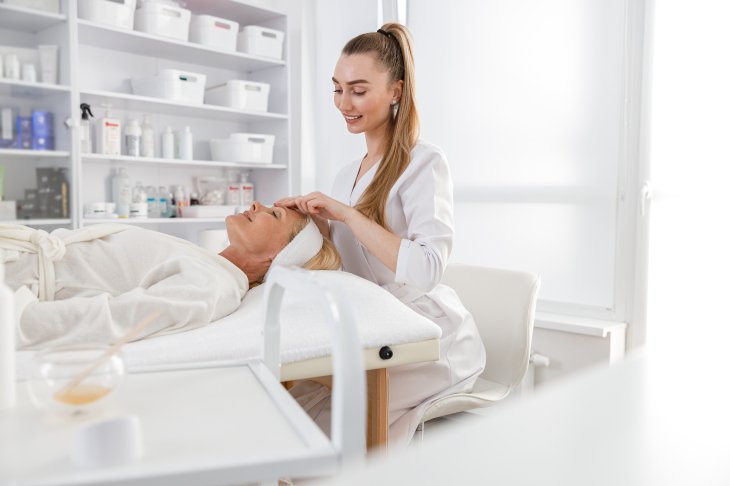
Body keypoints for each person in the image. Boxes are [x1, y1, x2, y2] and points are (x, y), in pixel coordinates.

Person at [276, 22, 487, 445]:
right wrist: (317, 225)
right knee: (292, 408)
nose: (344, 103)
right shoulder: (345, 175)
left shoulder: (423, 162)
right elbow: (349, 262)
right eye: (337, 89)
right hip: (375, 326)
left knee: (330, 426)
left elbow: (427, 269)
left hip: (427, 336)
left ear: (395, 91)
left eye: (358, 90)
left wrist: (348, 215)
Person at [0, 202, 340, 350]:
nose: (256, 205)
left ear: (277, 256)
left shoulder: (213, 286)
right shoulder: (207, 263)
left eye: (273, 214)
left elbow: (115, 320)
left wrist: (16, 321)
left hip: (13, 286)